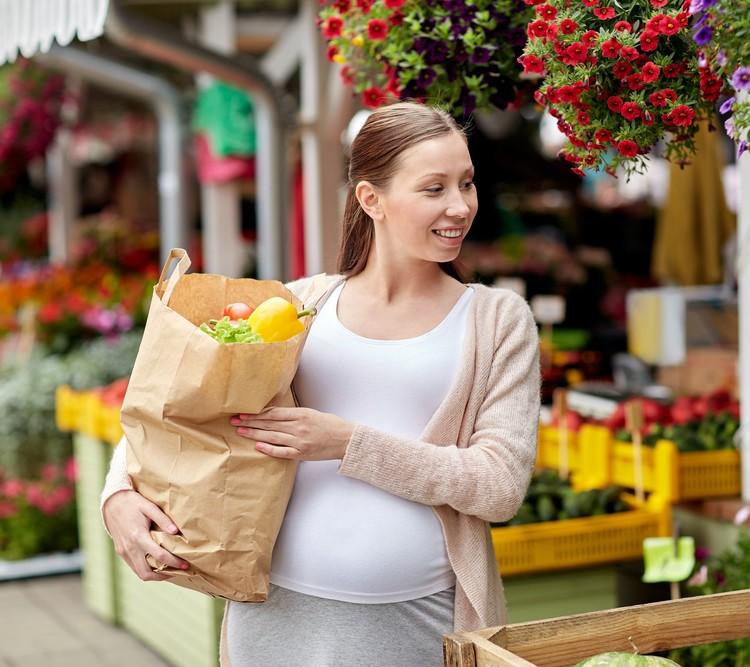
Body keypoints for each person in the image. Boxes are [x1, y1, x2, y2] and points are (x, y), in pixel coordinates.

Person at [99, 102, 542, 666]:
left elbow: (499, 487)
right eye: (434, 188)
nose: (460, 206)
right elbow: (181, 405)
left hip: (416, 620)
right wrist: (117, 495)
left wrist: (346, 443)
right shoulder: (299, 305)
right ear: (370, 199)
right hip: (277, 615)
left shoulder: (496, 320)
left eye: (467, 183)